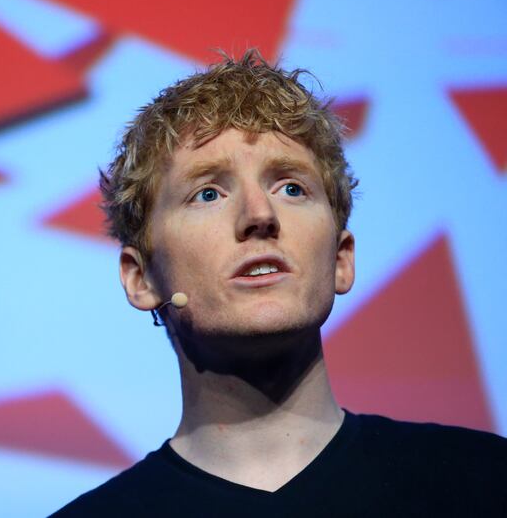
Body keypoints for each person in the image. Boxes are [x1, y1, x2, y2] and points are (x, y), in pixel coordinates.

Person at [52, 50, 507, 517]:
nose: (260, 216)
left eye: (291, 187)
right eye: (208, 193)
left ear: (341, 259)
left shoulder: (486, 481)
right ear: (140, 277)